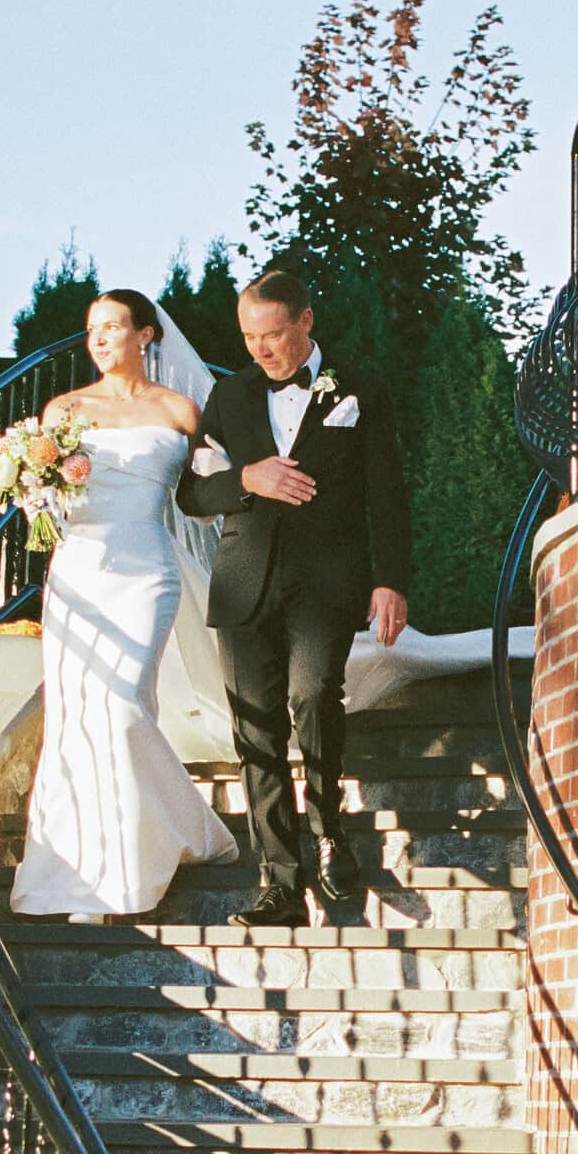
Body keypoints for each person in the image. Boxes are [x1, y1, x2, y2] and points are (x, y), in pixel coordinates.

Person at [176, 268, 411, 927]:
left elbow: (386, 492)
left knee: (311, 694)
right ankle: (279, 884)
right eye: (250, 336)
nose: (261, 349)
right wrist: (246, 478)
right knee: (255, 730)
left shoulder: (358, 388)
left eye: (273, 334)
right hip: (245, 581)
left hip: (328, 578)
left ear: (305, 321)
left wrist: (389, 579)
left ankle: (328, 823)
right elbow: (192, 493)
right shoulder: (229, 395)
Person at [8, 289, 238, 920]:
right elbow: (40, 490)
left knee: (120, 706)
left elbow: (209, 493)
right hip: (79, 573)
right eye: (92, 330)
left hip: (147, 573)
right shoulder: (65, 410)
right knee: (75, 716)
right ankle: (82, 870)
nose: (100, 339)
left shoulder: (181, 410)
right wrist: (31, 485)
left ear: (147, 336)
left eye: (113, 326)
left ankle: (137, 864)